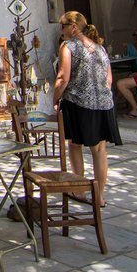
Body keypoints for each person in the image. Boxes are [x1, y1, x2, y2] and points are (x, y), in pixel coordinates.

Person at [54, 11, 122, 207]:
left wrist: (55, 98)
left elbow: (62, 77)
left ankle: (79, 190)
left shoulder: (68, 46)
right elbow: (108, 79)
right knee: (99, 150)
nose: (62, 30)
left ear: (73, 27)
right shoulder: (100, 48)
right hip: (103, 104)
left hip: (78, 103)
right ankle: (99, 196)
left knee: (75, 145)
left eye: (63, 26)